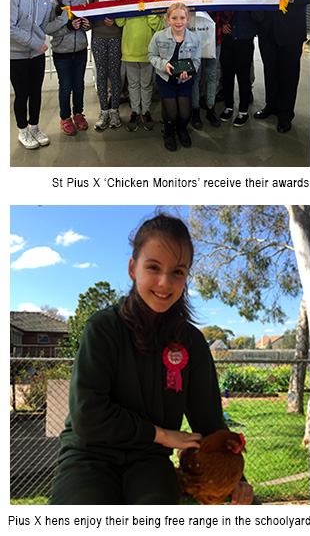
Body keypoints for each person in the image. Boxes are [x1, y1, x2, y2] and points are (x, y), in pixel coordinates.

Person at [51, 211, 254, 505]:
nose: (164, 282)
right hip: (89, 453)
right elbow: (88, 415)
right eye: (153, 267)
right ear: (133, 268)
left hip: (150, 460)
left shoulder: (192, 343)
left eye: (178, 272)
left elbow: (209, 421)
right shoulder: (103, 328)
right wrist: (160, 434)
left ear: (186, 276)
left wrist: (237, 479)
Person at [251, 0, 310, 133]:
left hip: (291, 30)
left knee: (289, 73)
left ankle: (285, 114)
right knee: (270, 70)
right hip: (267, 28)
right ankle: (271, 106)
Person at [10, 0, 52, 149]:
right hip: (16, 55)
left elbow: (44, 26)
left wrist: (67, 21)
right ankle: (23, 130)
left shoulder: (46, 1)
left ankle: (34, 126)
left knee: (36, 92)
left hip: (36, 56)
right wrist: (36, 42)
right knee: (22, 93)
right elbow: (9, 28)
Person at [148, 2, 201, 151]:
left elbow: (196, 61)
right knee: (171, 113)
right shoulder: (159, 37)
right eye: (175, 18)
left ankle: (181, 128)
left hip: (185, 81)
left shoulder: (195, 39)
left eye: (182, 18)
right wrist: (164, 64)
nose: (179, 22)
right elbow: (151, 55)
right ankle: (169, 132)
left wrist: (190, 71)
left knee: (185, 114)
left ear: (187, 19)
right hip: (166, 80)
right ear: (168, 19)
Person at [116, 0, 163, 132]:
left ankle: (146, 111)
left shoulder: (155, 2)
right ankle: (135, 111)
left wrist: (149, 10)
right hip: (129, 52)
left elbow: (159, 26)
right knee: (133, 84)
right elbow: (120, 23)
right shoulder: (128, 1)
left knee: (146, 84)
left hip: (148, 53)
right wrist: (122, 4)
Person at [46, 0, 90, 135]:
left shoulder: (82, 1)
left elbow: (89, 24)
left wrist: (87, 25)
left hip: (80, 50)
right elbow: (48, 29)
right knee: (65, 87)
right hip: (61, 53)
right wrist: (67, 27)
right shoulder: (53, 4)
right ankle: (65, 117)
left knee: (79, 85)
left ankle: (78, 113)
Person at [88, 0, 127, 131]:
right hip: (98, 37)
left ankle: (115, 110)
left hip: (116, 37)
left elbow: (126, 14)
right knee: (101, 74)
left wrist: (116, 20)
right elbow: (89, 12)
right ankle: (103, 110)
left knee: (115, 73)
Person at [190, 0, 227, 130]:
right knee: (195, 76)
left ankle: (210, 109)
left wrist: (229, 1)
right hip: (195, 40)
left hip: (215, 38)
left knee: (212, 75)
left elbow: (226, 16)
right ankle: (195, 110)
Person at [219, 0, 256, 127]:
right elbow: (214, 14)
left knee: (243, 76)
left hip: (244, 40)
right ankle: (228, 106)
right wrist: (221, 25)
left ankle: (243, 110)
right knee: (227, 75)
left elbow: (257, 15)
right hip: (226, 41)